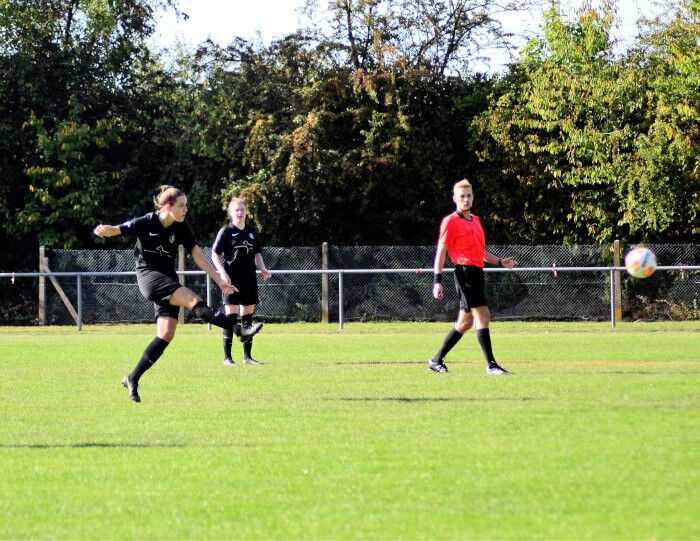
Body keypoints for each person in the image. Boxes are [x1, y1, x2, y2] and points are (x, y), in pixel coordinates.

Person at [93, 185, 262, 402]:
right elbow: (118, 229)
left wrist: (220, 280)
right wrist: (105, 230)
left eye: (186, 205)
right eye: (181, 205)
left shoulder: (182, 227)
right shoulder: (148, 221)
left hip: (168, 278)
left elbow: (199, 256)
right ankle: (239, 330)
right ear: (167, 206)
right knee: (194, 301)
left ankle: (132, 378)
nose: (185, 209)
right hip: (149, 278)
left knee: (166, 334)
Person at [429, 179, 518, 375]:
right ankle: (492, 365)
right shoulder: (450, 221)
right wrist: (437, 281)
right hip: (465, 273)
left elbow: (481, 251)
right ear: (454, 199)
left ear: (473, 197)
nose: (466, 199)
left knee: (465, 322)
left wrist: (500, 261)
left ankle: (436, 360)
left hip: (477, 273)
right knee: (483, 315)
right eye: (462, 196)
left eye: (469, 195)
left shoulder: (476, 220)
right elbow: (441, 252)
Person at [211, 197, 271, 365]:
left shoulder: (252, 231)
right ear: (231, 213)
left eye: (242, 209)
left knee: (247, 318)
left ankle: (247, 357)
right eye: (236, 210)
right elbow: (214, 254)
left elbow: (257, 254)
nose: (240, 212)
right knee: (230, 318)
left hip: (249, 279)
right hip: (232, 280)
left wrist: (263, 269)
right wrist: (222, 274)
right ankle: (227, 358)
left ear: (246, 212)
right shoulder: (226, 231)